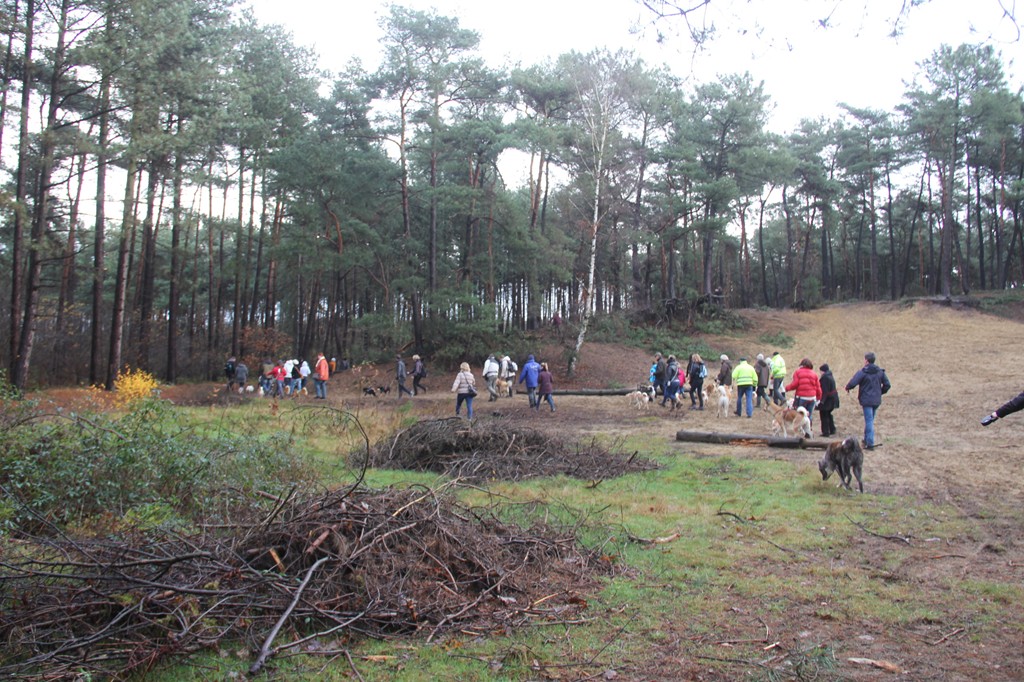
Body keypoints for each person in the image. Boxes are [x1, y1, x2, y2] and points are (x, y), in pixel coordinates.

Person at [845, 351, 891, 450]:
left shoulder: (863, 372)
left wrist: (848, 387)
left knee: (869, 421)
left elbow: (853, 382)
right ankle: (866, 440)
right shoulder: (880, 372)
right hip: (876, 400)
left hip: (866, 400)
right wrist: (880, 392)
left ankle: (870, 443)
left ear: (866, 361)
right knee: (870, 420)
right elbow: (887, 385)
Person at [786, 358, 822, 426]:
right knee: (809, 415)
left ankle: (801, 429)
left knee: (800, 415)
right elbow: (818, 388)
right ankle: (809, 430)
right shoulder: (814, 374)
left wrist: (786, 388)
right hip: (812, 398)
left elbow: (794, 384)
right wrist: (819, 398)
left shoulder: (797, 372)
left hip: (802, 397)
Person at [818, 363, 839, 437]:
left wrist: (822, 401)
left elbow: (825, 391)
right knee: (828, 414)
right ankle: (832, 429)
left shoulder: (825, 378)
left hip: (828, 400)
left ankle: (826, 432)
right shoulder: (830, 376)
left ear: (823, 371)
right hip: (833, 399)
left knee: (824, 415)